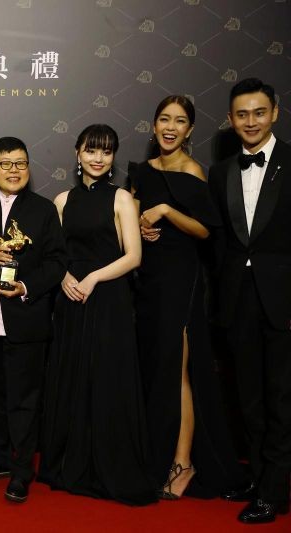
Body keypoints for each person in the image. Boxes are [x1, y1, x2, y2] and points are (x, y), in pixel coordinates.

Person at [129, 96, 245, 500]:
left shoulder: (193, 169)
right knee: (155, 369)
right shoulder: (141, 172)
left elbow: (206, 230)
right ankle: (157, 456)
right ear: (153, 125)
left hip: (181, 279)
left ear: (190, 130)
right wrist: (142, 226)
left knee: (177, 372)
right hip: (148, 280)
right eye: (164, 119)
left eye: (180, 121)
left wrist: (164, 210)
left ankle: (183, 462)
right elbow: (134, 218)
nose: (171, 127)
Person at [39, 124, 156, 505]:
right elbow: (54, 256)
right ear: (77, 153)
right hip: (71, 299)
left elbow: (134, 257)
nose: (98, 158)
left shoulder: (122, 198)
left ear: (112, 158)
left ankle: (109, 466)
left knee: (108, 379)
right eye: (91, 149)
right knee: (73, 377)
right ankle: (70, 464)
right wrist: (68, 278)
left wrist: (92, 278)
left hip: (109, 301)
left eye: (106, 151)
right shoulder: (60, 201)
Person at [0, 137, 66, 503]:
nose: (13, 170)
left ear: (28, 167)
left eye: (20, 163)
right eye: (5, 164)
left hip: (26, 319)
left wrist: (25, 285)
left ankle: (22, 471)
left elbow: (57, 262)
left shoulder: (42, 210)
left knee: (24, 401)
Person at [208, 78, 291, 524]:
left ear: (275, 112)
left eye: (259, 112)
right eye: (242, 114)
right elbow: (221, 242)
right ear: (231, 119)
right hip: (238, 302)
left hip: (283, 303)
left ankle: (275, 490)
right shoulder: (221, 171)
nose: (251, 121)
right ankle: (263, 480)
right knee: (249, 400)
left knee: (281, 399)